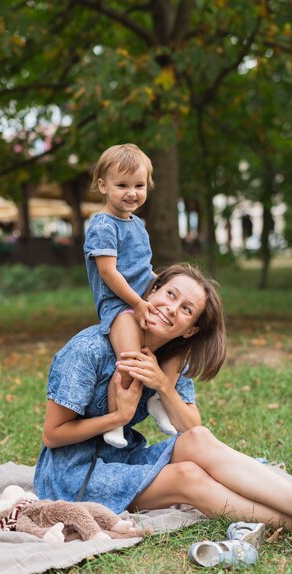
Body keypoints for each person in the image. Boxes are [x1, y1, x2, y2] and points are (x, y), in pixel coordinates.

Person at [34, 264, 292, 551]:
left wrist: (162, 385)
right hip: (71, 476)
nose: (171, 308)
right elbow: (52, 435)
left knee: (197, 440)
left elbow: (192, 427)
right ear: (151, 292)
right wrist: (119, 417)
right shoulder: (88, 350)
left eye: (185, 309)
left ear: (190, 330)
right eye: (169, 294)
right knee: (190, 476)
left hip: (122, 458)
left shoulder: (171, 359)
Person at [84, 144, 180, 448]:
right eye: (122, 185)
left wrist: (160, 285)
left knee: (177, 341)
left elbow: (142, 269)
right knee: (129, 359)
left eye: (139, 185)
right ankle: (118, 417)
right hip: (119, 305)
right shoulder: (102, 225)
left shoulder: (138, 224)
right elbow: (109, 272)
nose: (132, 193)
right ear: (103, 186)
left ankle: (154, 400)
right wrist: (138, 303)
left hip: (143, 298)